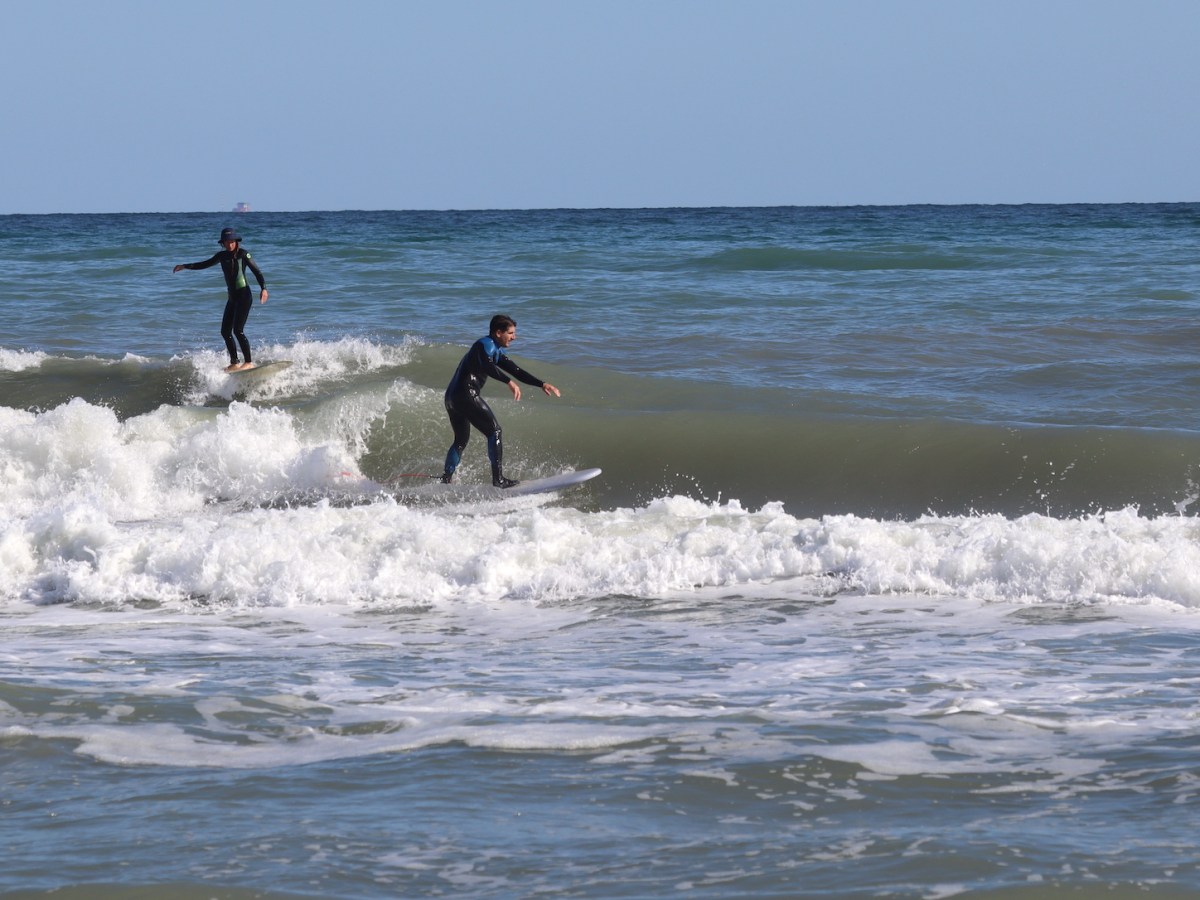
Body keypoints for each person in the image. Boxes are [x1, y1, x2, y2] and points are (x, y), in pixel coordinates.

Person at [442, 314, 561, 488]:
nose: (514, 337)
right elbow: (487, 366)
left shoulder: (494, 350)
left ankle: (446, 479)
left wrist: (541, 384)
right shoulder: (484, 345)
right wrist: (508, 382)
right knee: (495, 431)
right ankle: (498, 480)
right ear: (498, 333)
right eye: (511, 333)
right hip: (466, 395)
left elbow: (517, 370)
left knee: (460, 440)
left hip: (452, 398)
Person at [173, 227, 269, 372]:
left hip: (244, 296)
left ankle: (249, 362)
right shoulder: (221, 256)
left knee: (238, 330)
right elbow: (204, 264)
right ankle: (235, 363)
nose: (230, 244)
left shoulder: (243, 254)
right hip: (232, 298)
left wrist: (264, 288)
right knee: (225, 331)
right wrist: (185, 266)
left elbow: (257, 272)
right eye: (227, 242)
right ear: (223, 243)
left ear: (236, 242)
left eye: (232, 241)